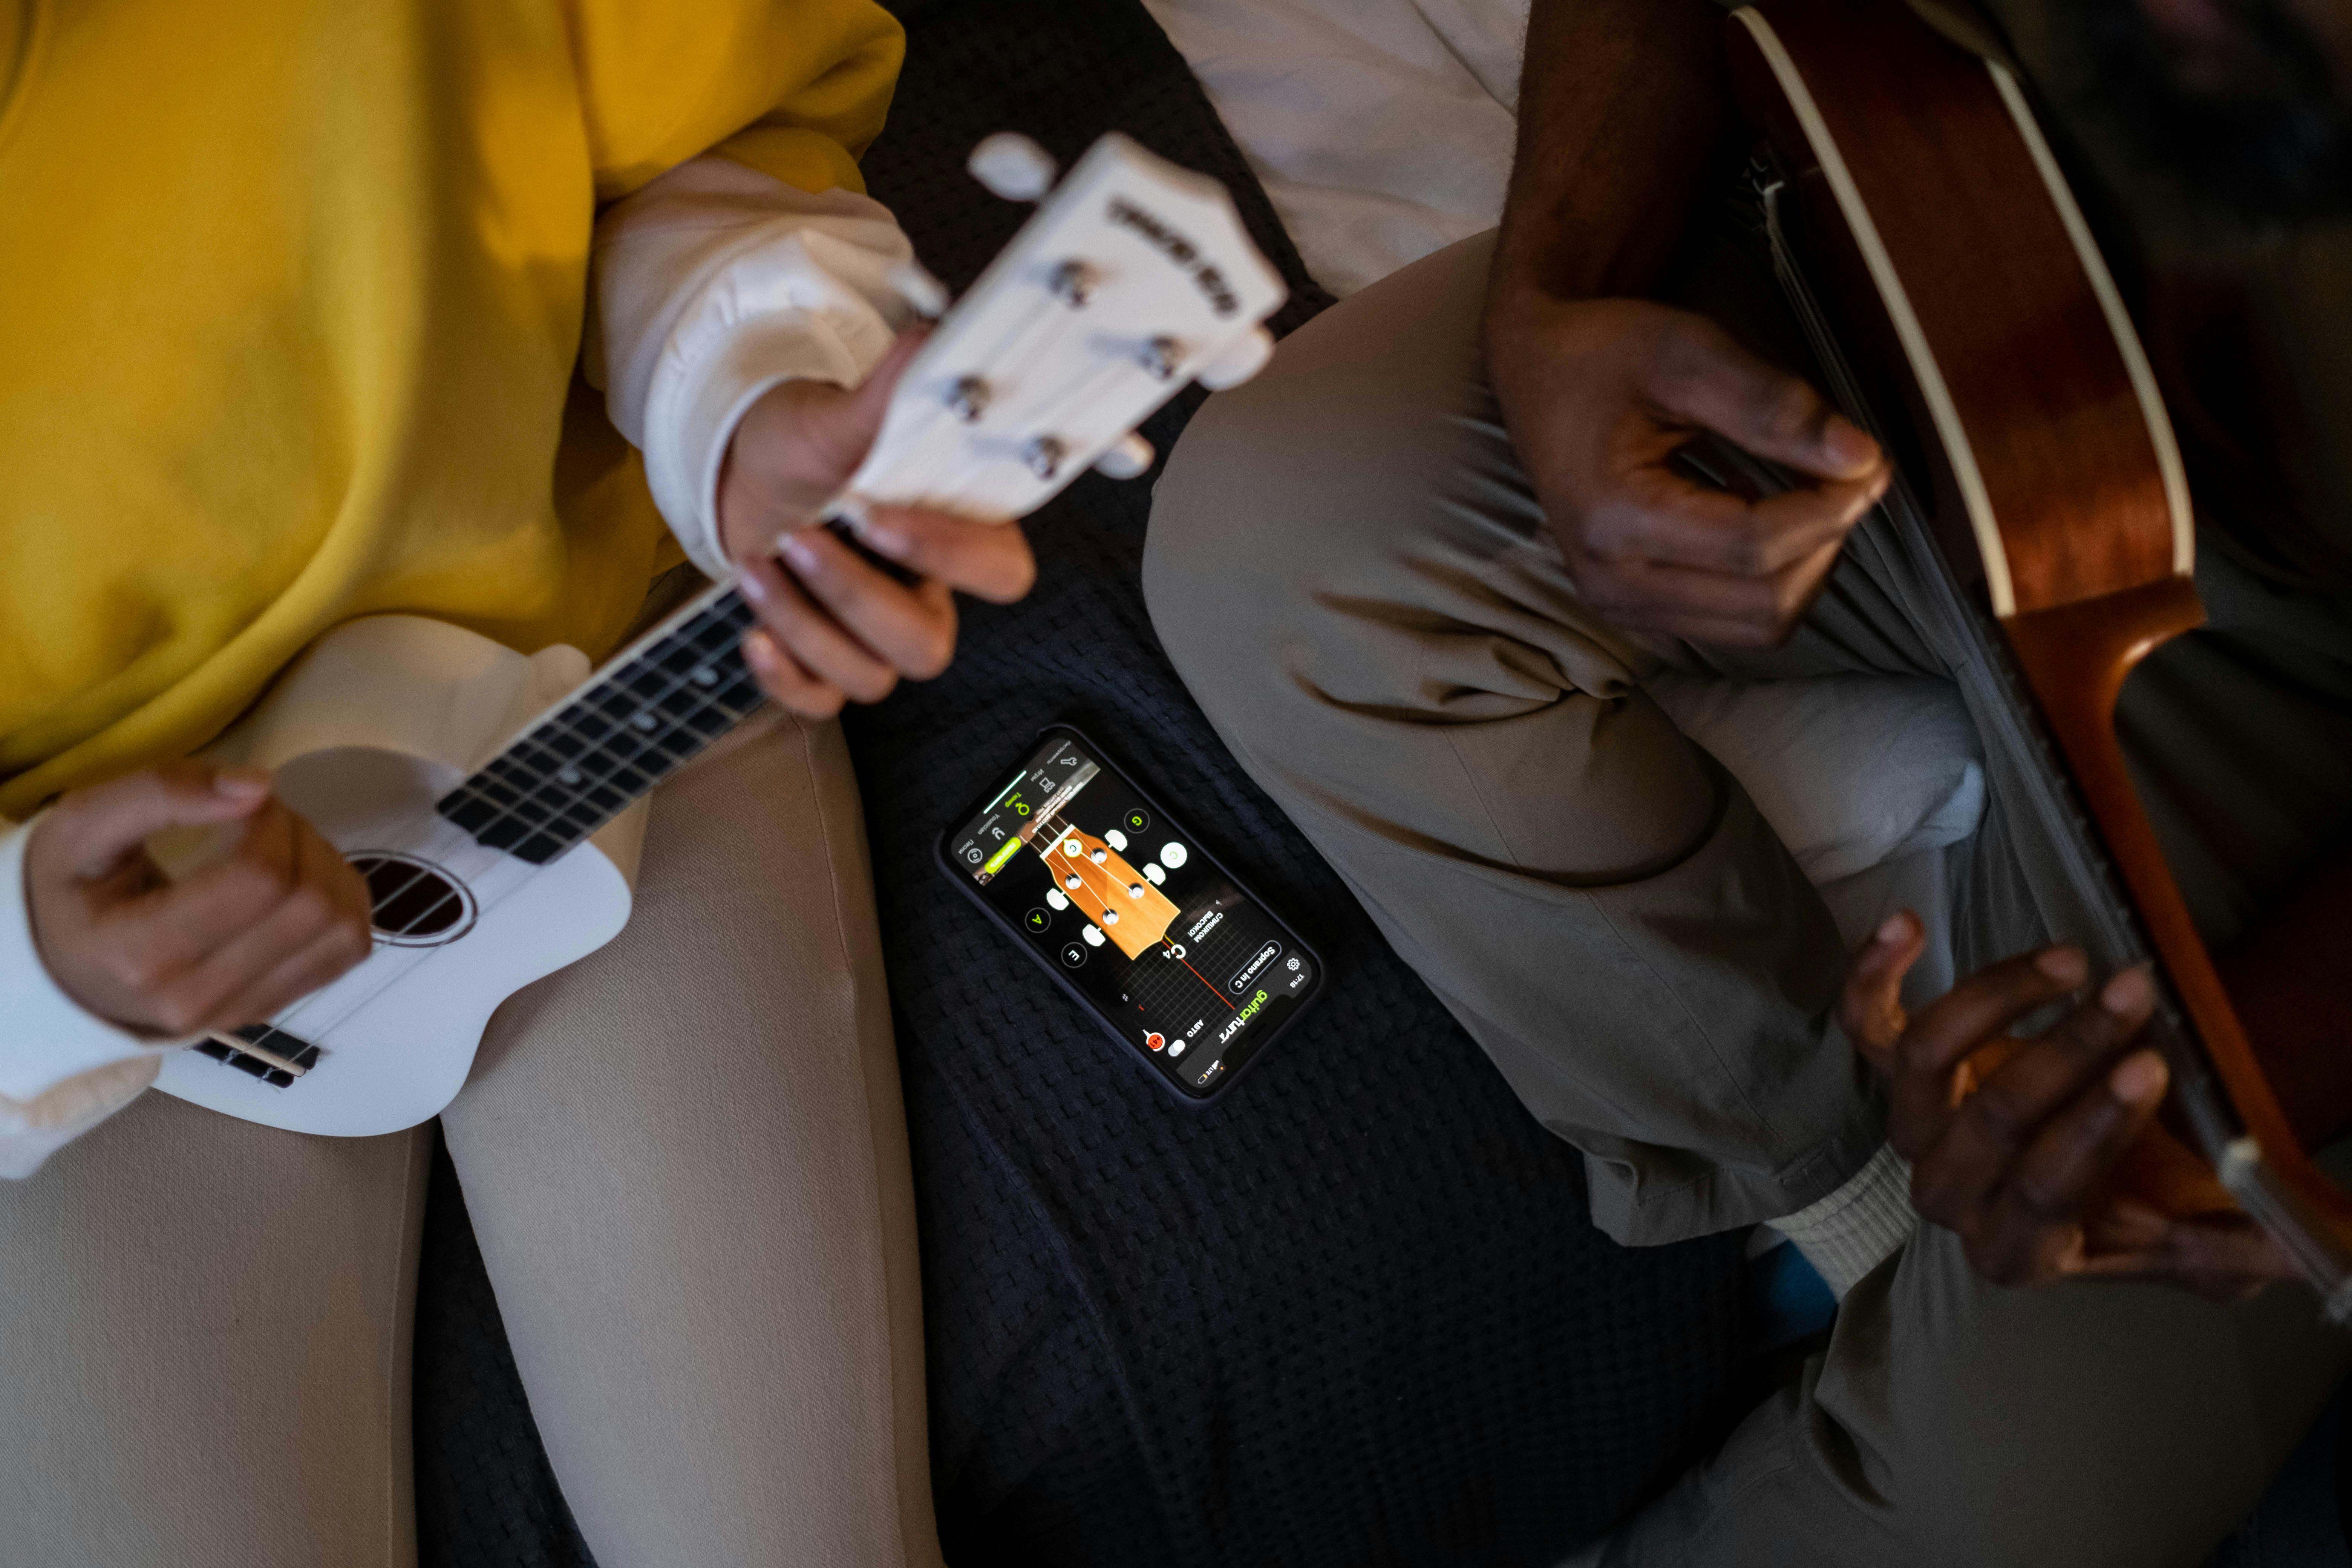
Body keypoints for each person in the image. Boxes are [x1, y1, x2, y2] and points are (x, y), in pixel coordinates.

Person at [1142, 0, 2352, 1562]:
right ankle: (1837, 1210)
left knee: (1992, 1522)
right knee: (1277, 543)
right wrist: (1558, 302)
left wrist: (2243, 1086)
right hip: (1916, 269)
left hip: (2299, 687)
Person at [0, 2, 1024, 1562]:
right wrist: (36, 978)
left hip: (590, 685)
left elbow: (693, 136)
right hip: (73, 903)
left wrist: (749, 394)